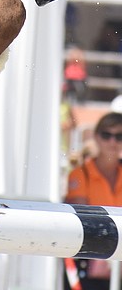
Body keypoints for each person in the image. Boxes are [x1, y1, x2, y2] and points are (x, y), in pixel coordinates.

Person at [64, 112, 122, 289]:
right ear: (96, 137)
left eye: (119, 136)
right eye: (106, 135)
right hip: (89, 259)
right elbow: (80, 222)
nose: (112, 142)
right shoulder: (80, 174)